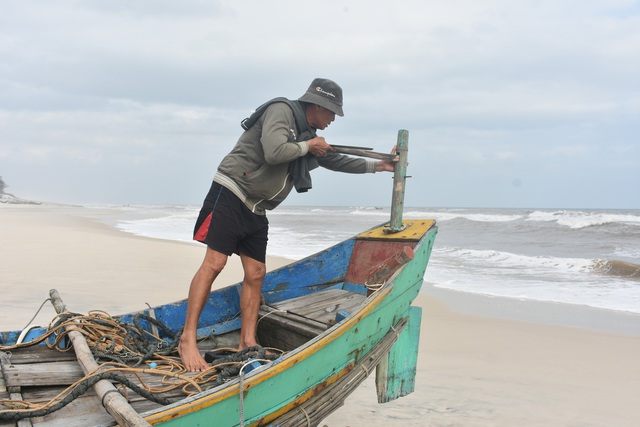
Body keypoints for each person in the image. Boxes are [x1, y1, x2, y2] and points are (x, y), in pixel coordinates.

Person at [178, 78, 397, 371]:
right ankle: (188, 340)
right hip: (232, 193)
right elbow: (274, 151)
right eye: (332, 113)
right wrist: (308, 145)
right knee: (215, 263)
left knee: (256, 273)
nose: (333, 120)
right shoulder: (281, 110)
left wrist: (380, 165)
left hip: (257, 208)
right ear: (318, 105)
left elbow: (336, 160)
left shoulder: (308, 134)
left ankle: (247, 341)